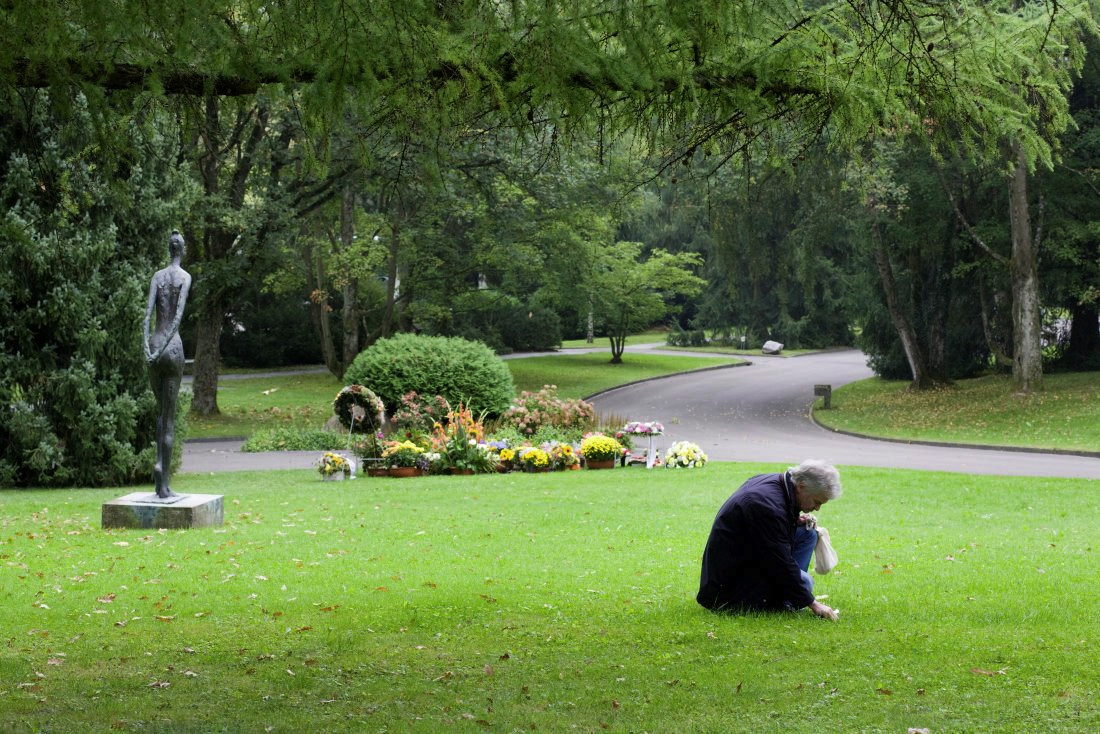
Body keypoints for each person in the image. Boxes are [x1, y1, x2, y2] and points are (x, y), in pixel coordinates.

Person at [697, 459, 841, 620]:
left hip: (747, 557)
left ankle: (788, 595)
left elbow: (768, 534)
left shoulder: (774, 483)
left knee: (808, 533)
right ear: (801, 487)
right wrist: (813, 603)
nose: (817, 508)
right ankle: (789, 596)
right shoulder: (765, 506)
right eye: (816, 502)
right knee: (806, 583)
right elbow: (780, 561)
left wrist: (793, 521)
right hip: (728, 589)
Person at [143, 230, 192, 499]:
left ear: (168, 249)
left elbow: (147, 316)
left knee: (160, 412)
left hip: (154, 345)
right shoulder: (184, 277)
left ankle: (159, 470)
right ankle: (163, 480)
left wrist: (149, 350)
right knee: (169, 417)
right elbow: (176, 320)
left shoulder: (157, 277)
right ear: (181, 250)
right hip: (171, 349)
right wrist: (162, 349)